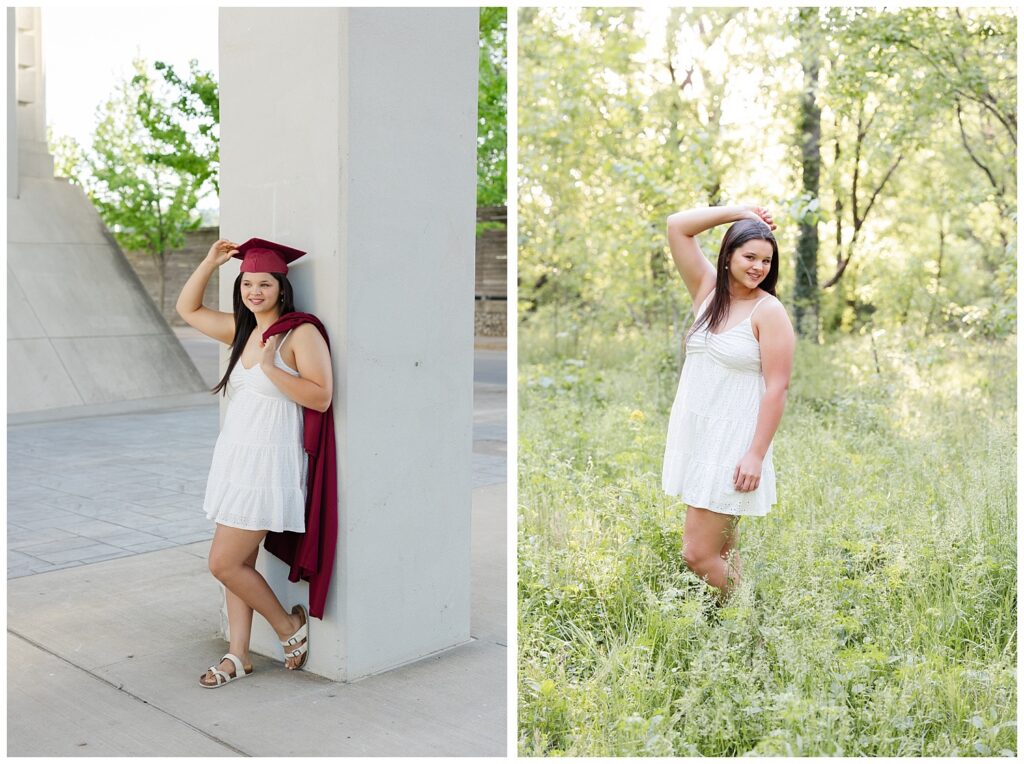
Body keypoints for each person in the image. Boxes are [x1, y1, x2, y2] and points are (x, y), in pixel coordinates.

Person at [176, 237, 334, 687]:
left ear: (282, 289)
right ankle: (238, 656)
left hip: (269, 467)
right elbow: (188, 310)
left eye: (265, 284)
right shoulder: (241, 331)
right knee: (237, 564)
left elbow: (321, 398)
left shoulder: (299, 334)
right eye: (248, 283)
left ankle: (288, 626)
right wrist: (209, 262)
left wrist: (271, 368)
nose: (255, 292)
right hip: (235, 462)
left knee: (223, 564)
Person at [662, 205, 795, 602]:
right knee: (722, 550)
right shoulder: (707, 291)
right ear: (728, 255)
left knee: (697, 554)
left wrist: (755, 455)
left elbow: (777, 388)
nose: (758, 267)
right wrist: (741, 211)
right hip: (699, 436)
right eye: (749, 256)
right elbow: (676, 226)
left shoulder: (768, 311)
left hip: (733, 444)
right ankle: (733, 632)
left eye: (766, 260)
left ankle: (753, 620)